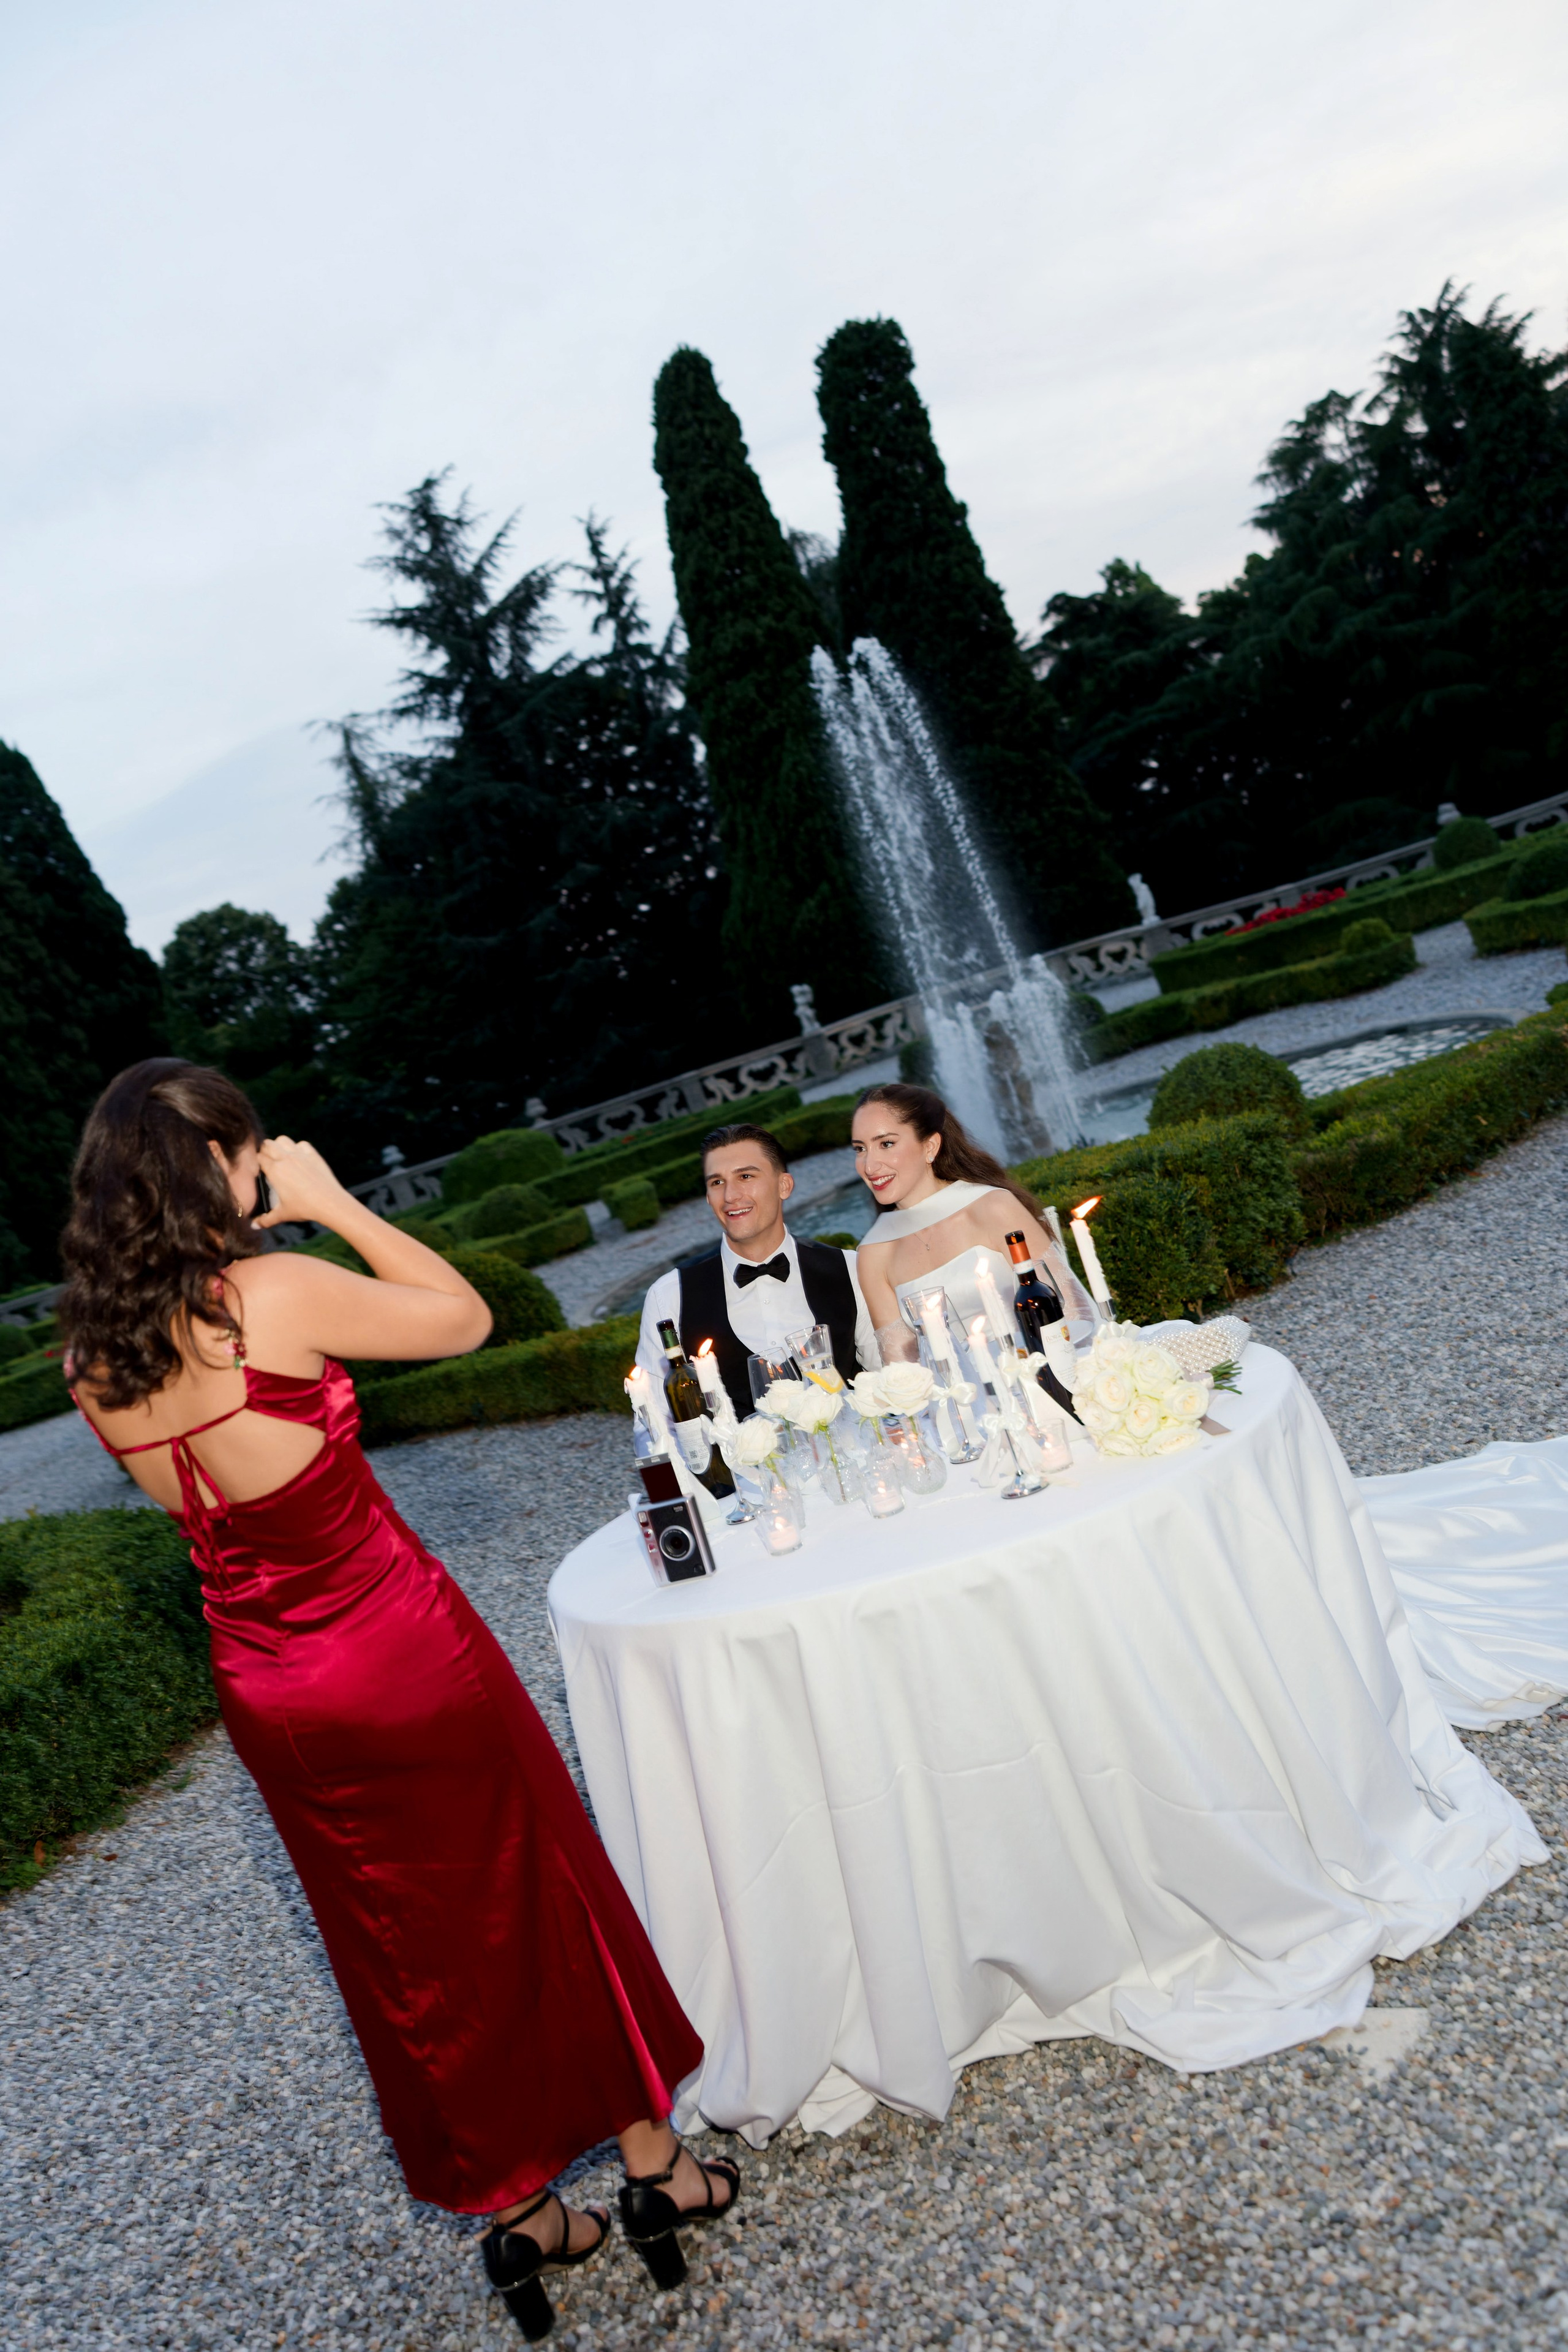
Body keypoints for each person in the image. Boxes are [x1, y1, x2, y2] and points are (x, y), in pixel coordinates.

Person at [61, 1062, 737, 2343]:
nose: (267, 1165)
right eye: (251, 1151)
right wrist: (332, 1205)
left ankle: (518, 2211)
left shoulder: (92, 1358)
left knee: (400, 1945)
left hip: (266, 1688)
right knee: (538, 1885)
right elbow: (464, 1318)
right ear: (213, 1165)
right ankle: (655, 2167)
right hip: (395, 1650)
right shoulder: (269, 1292)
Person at [635, 1121, 878, 1422]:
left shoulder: (851, 1268)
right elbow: (655, 1422)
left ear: (783, 1186)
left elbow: (885, 1378)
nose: (730, 1196)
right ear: (708, 1197)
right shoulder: (669, 1296)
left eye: (746, 1176)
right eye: (717, 1182)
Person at [850, 1081, 1095, 1349]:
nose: (869, 1166)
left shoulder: (992, 1207)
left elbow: (1073, 1310)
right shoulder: (874, 1252)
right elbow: (902, 1362)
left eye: (886, 1144)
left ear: (930, 1146)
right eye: (860, 1149)